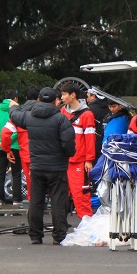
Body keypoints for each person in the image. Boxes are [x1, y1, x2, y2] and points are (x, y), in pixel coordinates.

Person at [9, 87, 75, 244]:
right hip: (57, 167)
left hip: (37, 166)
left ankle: (36, 236)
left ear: (38, 99)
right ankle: (59, 236)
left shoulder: (30, 117)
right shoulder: (61, 119)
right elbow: (69, 145)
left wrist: (13, 106)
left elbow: (15, 116)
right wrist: (68, 155)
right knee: (58, 201)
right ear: (55, 101)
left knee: (36, 201)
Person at [59, 83, 96, 219]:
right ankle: (62, 226)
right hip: (64, 160)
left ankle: (87, 226)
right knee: (62, 195)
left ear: (73, 95)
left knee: (80, 195)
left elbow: (90, 139)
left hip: (79, 161)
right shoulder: (63, 111)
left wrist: (89, 160)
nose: (61, 97)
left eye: (64, 94)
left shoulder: (87, 114)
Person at [0, 86, 40, 202]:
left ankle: (34, 206)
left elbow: (5, 133)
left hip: (27, 154)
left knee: (31, 182)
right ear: (39, 98)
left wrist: (7, 150)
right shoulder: (48, 112)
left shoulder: (18, 114)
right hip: (46, 154)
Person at [0, 89, 23, 205]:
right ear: (15, 99)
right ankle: (17, 199)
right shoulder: (16, 112)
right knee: (16, 173)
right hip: (14, 146)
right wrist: (8, 142)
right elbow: (17, 130)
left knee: (1, 173)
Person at [86, 87, 110, 155]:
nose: (86, 98)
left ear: (93, 96)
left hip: (94, 141)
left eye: (87, 96)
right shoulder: (108, 108)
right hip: (105, 140)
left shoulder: (90, 109)